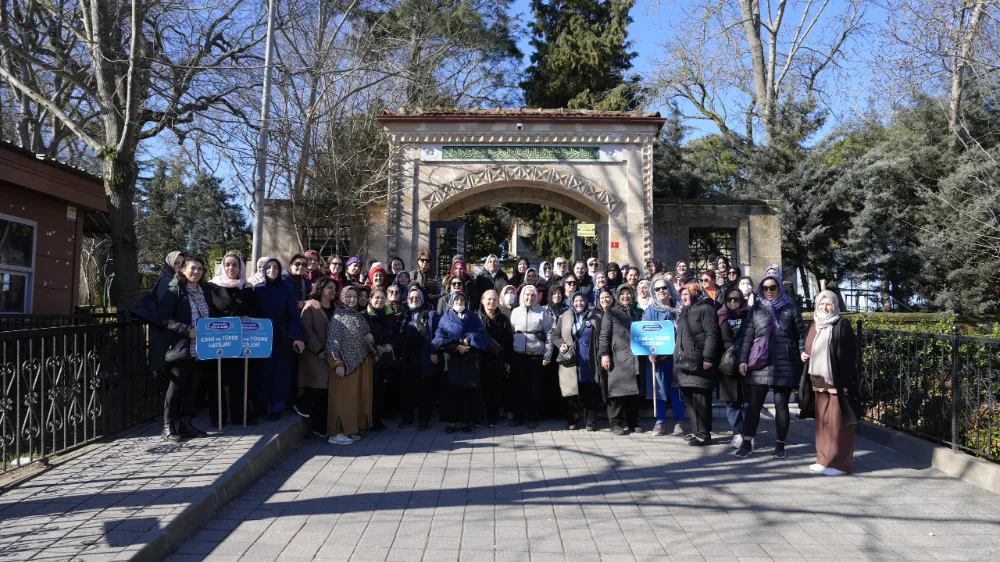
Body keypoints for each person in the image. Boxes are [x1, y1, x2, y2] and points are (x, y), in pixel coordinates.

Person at [735, 274, 807, 459]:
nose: (768, 291)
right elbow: (747, 336)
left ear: (779, 288)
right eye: (765, 288)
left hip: (785, 361)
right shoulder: (756, 309)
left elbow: (800, 334)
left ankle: (780, 445)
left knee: (781, 405)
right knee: (753, 406)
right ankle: (746, 442)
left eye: (772, 287)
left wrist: (801, 352)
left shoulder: (790, 308)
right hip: (760, 361)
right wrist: (743, 360)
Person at [802, 291, 861, 476]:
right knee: (823, 423)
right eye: (821, 304)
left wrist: (844, 381)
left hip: (837, 382)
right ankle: (823, 459)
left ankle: (840, 464)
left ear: (835, 306)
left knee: (838, 424)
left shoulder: (841, 325)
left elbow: (850, 355)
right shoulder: (815, 323)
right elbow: (809, 347)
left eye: (828, 304)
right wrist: (804, 354)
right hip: (818, 381)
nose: (824, 307)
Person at [157, 256, 215, 441]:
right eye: (192, 268)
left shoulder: (203, 291)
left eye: (200, 268)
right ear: (182, 269)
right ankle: (167, 426)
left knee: (192, 387)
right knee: (176, 387)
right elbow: (164, 317)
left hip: (200, 349)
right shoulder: (175, 290)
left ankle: (186, 423)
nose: (196, 271)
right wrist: (186, 330)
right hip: (181, 347)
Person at [208, 252, 259, 426]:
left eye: (235, 265)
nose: (231, 268)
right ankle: (218, 418)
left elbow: (255, 310)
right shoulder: (212, 287)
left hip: (240, 340)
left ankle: (240, 416)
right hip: (219, 340)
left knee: (240, 380)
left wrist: (249, 317)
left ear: (240, 267)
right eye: (228, 264)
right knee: (217, 381)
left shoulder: (247, 287)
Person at [254, 258, 307, 420]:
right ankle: (261, 404)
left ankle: (276, 407)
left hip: (281, 336)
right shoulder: (258, 289)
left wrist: (298, 336)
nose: (272, 270)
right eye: (268, 267)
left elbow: (293, 315)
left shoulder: (287, 289)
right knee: (262, 371)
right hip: (261, 337)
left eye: (275, 267)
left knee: (280, 372)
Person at [673, 282, 721, 446]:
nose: (683, 296)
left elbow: (712, 333)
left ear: (695, 293)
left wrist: (708, 357)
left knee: (701, 400)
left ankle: (704, 434)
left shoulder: (705, 308)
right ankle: (696, 431)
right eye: (682, 294)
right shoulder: (685, 311)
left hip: (699, 362)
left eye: (687, 293)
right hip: (684, 363)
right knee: (689, 399)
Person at [432, 291, 488, 434]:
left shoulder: (473, 317)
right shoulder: (446, 317)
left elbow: (482, 335)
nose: (459, 303)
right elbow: (438, 339)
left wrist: (469, 338)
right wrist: (456, 346)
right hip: (451, 359)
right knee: (452, 391)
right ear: (451, 302)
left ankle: (465, 422)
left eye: (462, 300)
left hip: (469, 359)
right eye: (456, 300)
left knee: (466, 391)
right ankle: (452, 422)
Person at [326, 286, 375, 444]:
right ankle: (336, 432)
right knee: (341, 399)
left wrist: (370, 336)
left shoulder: (357, 315)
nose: (352, 299)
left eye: (355, 296)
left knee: (354, 399)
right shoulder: (338, 316)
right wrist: (337, 363)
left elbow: (364, 333)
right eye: (349, 296)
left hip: (359, 363)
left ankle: (350, 429)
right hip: (343, 365)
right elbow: (332, 341)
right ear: (342, 297)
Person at [550, 292, 602, 431]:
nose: (579, 303)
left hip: (589, 358)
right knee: (570, 391)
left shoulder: (594, 316)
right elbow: (555, 335)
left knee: (589, 389)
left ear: (586, 301)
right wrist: (560, 344)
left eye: (581, 300)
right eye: (576, 301)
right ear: (572, 302)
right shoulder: (565, 315)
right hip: (570, 358)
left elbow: (601, 335)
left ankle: (590, 421)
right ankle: (572, 419)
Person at [599, 284, 644, 435]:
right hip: (617, 357)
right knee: (617, 391)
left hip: (636, 357)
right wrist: (604, 354)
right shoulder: (611, 313)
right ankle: (615, 423)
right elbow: (604, 335)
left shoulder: (639, 312)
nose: (626, 296)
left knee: (633, 392)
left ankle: (633, 422)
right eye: (622, 294)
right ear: (618, 296)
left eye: (628, 293)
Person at [645, 278, 686, 437]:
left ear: (669, 289)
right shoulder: (650, 310)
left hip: (678, 357)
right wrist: (649, 352)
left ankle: (679, 421)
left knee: (677, 389)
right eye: (657, 289)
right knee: (660, 388)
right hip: (659, 358)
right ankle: (660, 421)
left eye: (664, 288)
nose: (661, 291)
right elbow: (645, 332)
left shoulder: (680, 309)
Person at [296, 277, 338, 436]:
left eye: (334, 288)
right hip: (315, 354)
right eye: (329, 287)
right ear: (320, 289)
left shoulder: (337, 308)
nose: (333, 290)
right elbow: (307, 329)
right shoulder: (311, 307)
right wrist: (319, 349)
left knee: (326, 392)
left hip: (330, 354)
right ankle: (313, 419)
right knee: (318, 389)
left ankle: (321, 427)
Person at [509, 285, 552, 428]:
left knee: (534, 389)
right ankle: (518, 417)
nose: (530, 298)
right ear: (522, 295)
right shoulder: (515, 312)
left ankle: (533, 418)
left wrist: (547, 355)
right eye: (527, 295)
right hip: (518, 355)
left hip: (536, 355)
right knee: (517, 387)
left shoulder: (542, 312)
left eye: (533, 295)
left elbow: (549, 334)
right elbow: (510, 333)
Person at [399, 287, 440, 430]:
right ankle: (407, 419)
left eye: (417, 298)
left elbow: (437, 335)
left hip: (424, 358)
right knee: (407, 390)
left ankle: (424, 420)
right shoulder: (404, 316)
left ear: (422, 299)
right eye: (411, 298)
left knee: (425, 390)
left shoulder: (431, 314)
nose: (414, 300)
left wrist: (433, 351)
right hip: (408, 358)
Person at [718, 286, 750, 447]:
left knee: (747, 402)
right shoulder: (720, 315)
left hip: (747, 362)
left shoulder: (749, 314)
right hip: (727, 364)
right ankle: (738, 433)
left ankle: (749, 434)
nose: (732, 302)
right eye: (729, 299)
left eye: (736, 299)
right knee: (731, 402)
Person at [478, 289, 512, 428]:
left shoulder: (503, 318)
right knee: (481, 389)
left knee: (495, 390)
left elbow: (509, 340)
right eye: (489, 299)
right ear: (483, 301)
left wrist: (508, 360)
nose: (492, 302)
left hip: (497, 359)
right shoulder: (476, 318)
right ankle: (480, 417)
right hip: (480, 360)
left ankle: (493, 417)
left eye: (495, 300)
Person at [366, 288, 399, 432]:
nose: (379, 301)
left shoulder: (390, 315)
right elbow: (364, 336)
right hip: (372, 358)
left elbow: (398, 333)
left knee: (381, 389)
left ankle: (379, 419)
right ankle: (371, 420)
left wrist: (391, 344)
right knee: (372, 389)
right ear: (370, 299)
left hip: (387, 357)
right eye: (376, 298)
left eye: (382, 298)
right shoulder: (365, 315)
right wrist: (376, 346)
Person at [150, 251, 186, 375]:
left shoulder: (174, 279)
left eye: (182, 264)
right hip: (164, 331)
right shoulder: (166, 280)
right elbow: (165, 309)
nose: (179, 267)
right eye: (176, 263)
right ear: (169, 263)